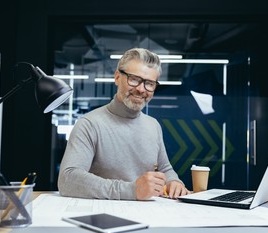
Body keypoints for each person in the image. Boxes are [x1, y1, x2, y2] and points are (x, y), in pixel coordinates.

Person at [58, 47, 188, 200]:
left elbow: (165, 168)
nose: (141, 89)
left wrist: (174, 181)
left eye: (149, 83)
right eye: (134, 79)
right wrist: (131, 190)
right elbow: (68, 179)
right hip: (102, 217)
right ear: (117, 77)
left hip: (148, 215)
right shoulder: (89, 124)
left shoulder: (153, 125)